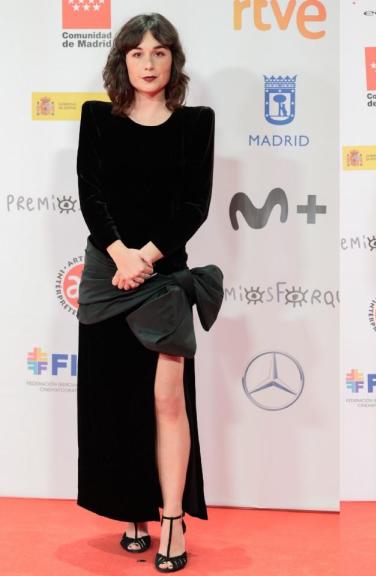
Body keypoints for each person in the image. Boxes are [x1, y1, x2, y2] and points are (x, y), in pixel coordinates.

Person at [76, 13, 215, 573]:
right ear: (123, 61)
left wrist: (146, 259)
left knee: (167, 400)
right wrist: (120, 256)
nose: (149, 62)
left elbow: (194, 207)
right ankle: (131, 511)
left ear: (173, 60)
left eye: (159, 52)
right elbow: (92, 196)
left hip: (162, 278)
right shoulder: (97, 119)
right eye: (137, 53)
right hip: (107, 273)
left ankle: (173, 519)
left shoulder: (196, 123)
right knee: (118, 398)